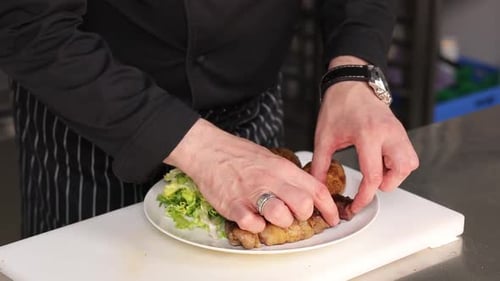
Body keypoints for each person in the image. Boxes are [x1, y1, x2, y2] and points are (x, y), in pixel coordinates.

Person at [0, 0, 419, 238]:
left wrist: (353, 71)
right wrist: (206, 152)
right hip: (92, 130)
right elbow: (31, 28)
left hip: (251, 117)